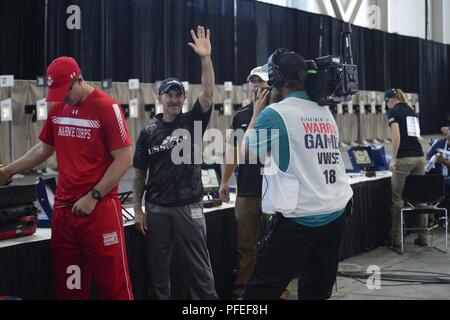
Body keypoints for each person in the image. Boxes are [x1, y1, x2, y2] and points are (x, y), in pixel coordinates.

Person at [0, 56, 134, 300]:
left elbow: (124, 159)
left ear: (79, 80)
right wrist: (8, 171)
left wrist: (94, 196)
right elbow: (43, 149)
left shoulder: (107, 107)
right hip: (64, 213)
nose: (63, 97)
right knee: (70, 290)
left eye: (66, 91)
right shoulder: (58, 109)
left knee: (114, 289)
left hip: (99, 211)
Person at [241, 48, 353, 300]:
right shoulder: (324, 112)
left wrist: (257, 114)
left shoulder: (275, 113)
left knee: (261, 290)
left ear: (278, 81)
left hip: (301, 215)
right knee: (316, 289)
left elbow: (247, 153)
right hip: (336, 211)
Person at [132, 26, 218, 300]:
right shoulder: (147, 132)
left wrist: (205, 59)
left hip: (189, 205)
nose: (175, 99)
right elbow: (139, 174)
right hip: (157, 209)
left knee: (199, 269)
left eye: (179, 94)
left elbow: (207, 94)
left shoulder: (191, 122)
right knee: (159, 272)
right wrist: (138, 208)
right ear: (160, 98)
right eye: (169, 94)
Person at [219, 65, 268, 298]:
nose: (257, 86)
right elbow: (231, 152)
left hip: (275, 192)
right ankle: (242, 289)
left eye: (261, 81)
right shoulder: (240, 116)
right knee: (245, 245)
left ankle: (279, 289)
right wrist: (224, 181)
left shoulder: (279, 113)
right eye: (254, 81)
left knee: (276, 244)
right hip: (247, 191)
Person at [385, 88, 428, 247]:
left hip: (404, 159)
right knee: (421, 200)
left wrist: (394, 159)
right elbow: (416, 136)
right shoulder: (411, 110)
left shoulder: (393, 111)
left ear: (390, 100)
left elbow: (396, 135)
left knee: (397, 201)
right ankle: (422, 237)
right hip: (419, 157)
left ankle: (396, 240)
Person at [426, 130, 450, 194]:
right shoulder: (441, 142)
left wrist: (444, 160)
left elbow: (443, 161)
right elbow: (428, 157)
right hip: (439, 172)